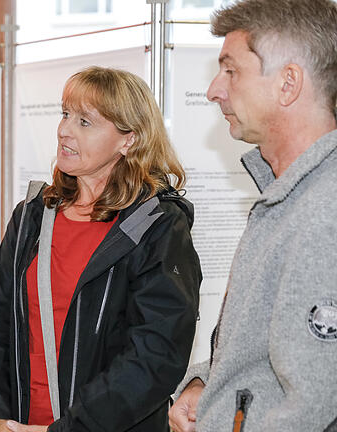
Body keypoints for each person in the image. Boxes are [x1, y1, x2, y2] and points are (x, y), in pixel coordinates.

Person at [0, 66, 202, 432]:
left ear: (128, 140)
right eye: (65, 114)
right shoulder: (33, 215)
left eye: (85, 121)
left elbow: (155, 355)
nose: (64, 129)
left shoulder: (158, 226)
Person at [168, 1, 337, 431]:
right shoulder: (291, 195)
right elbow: (271, 352)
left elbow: (314, 405)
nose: (213, 90)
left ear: (288, 84)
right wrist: (208, 383)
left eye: (231, 70)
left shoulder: (324, 211)